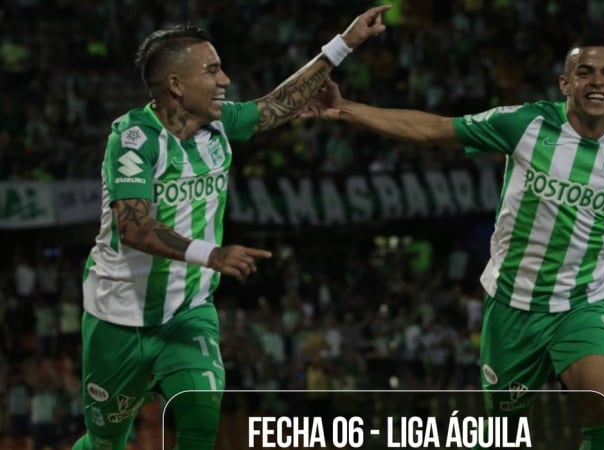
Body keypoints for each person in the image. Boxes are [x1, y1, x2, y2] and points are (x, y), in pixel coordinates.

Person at [301, 36, 604, 449]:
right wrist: (347, 109)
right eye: (585, 72)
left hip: (580, 305)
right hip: (512, 306)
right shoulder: (525, 124)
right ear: (565, 83)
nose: (597, 82)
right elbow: (435, 129)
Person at [73, 6, 389, 450]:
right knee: (105, 443)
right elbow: (133, 227)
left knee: (201, 427)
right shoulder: (133, 139)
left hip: (188, 312)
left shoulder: (221, 123)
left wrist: (345, 43)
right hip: (117, 318)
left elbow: (277, 103)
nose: (224, 80)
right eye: (212, 70)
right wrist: (212, 254)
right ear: (176, 85)